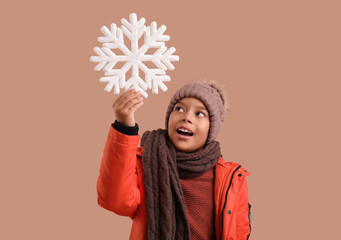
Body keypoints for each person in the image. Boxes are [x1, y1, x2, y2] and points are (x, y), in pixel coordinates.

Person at [96, 81, 251, 240]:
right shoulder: (146, 163)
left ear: (212, 129)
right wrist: (124, 129)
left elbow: (238, 234)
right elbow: (115, 201)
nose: (186, 117)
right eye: (179, 109)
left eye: (199, 114)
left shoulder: (231, 179)